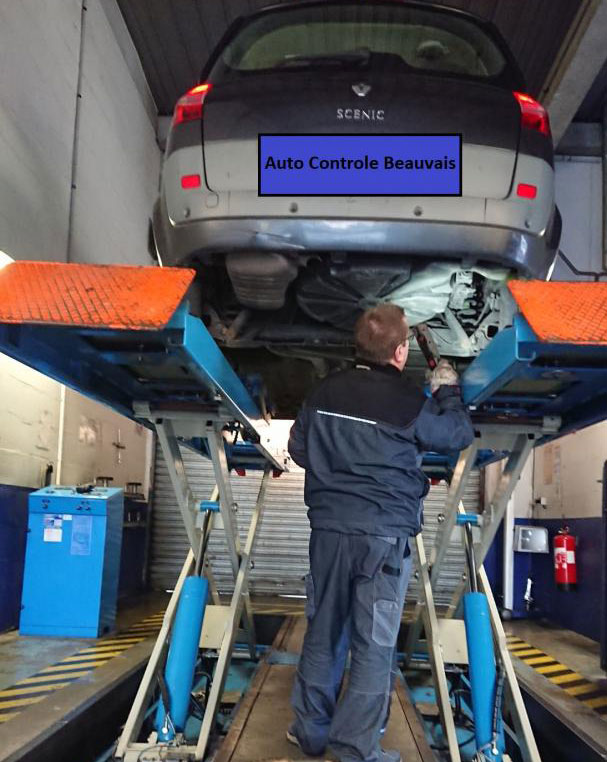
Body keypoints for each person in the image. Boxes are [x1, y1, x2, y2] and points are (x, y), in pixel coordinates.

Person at [287, 303, 475, 762]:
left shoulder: (323, 392)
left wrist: (338, 466)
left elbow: (297, 447)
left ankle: (310, 735)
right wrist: (447, 391)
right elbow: (457, 434)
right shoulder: (409, 402)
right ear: (400, 351)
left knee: (323, 632)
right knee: (373, 644)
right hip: (382, 541)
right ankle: (354, 749)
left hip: (329, 534)